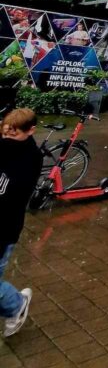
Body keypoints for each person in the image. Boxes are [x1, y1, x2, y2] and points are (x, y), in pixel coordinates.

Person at [0, 109, 42, 337]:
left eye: (13, 136)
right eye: (5, 134)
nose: (7, 141)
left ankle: (16, 305)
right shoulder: (7, 145)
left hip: (4, 230)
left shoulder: (29, 159)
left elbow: (10, 199)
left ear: (31, 131)